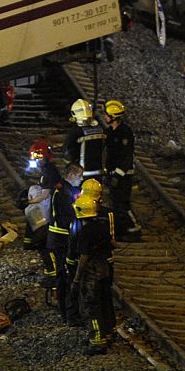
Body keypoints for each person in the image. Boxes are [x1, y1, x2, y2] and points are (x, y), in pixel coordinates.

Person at [72, 195, 116, 355]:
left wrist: (76, 279)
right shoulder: (101, 226)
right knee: (104, 302)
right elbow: (113, 244)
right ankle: (108, 333)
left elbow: (83, 257)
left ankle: (97, 341)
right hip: (104, 268)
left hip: (91, 273)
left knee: (91, 306)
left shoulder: (84, 232)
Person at [47, 162, 83, 322]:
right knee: (64, 277)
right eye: (80, 176)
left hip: (63, 239)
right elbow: (68, 217)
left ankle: (70, 311)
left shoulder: (67, 189)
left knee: (68, 276)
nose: (81, 179)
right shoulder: (62, 192)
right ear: (71, 175)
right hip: (60, 240)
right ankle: (67, 314)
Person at [23, 140, 62, 286]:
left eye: (38, 159)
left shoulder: (47, 172)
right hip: (54, 206)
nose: (36, 162)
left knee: (43, 239)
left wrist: (29, 203)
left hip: (51, 209)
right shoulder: (50, 169)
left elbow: (45, 195)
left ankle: (53, 274)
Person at [103, 100, 141, 238]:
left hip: (124, 174)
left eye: (107, 115)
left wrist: (118, 175)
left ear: (113, 117)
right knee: (114, 203)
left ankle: (135, 227)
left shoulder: (125, 132)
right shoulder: (109, 132)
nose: (104, 117)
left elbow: (127, 156)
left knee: (123, 202)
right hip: (113, 173)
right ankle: (121, 229)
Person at [64, 99, 106, 178]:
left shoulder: (75, 132)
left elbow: (68, 153)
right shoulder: (100, 129)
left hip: (82, 174)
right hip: (99, 172)